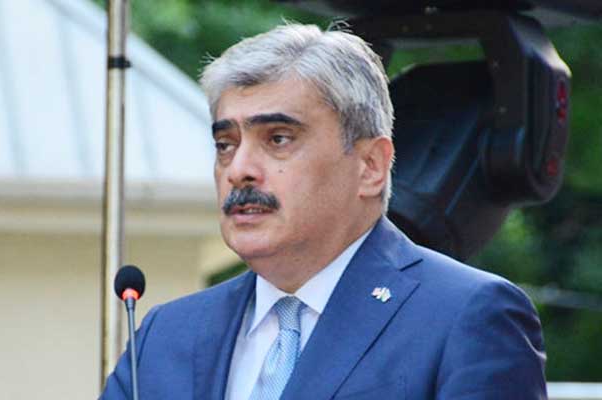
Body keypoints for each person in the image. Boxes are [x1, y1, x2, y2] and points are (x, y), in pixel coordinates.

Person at [101, 23, 546, 400]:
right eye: (225, 144)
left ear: (370, 166)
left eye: (278, 139)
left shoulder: (465, 317)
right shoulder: (165, 335)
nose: (238, 170)